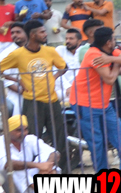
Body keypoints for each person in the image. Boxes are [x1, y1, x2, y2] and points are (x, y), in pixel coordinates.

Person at [2, 20, 70, 171]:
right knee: (32, 139)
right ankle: (35, 172)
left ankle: (62, 171)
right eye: (42, 32)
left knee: (59, 137)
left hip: (52, 101)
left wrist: (53, 77)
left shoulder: (50, 51)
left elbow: (64, 67)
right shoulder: (18, 54)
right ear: (33, 35)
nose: (45, 34)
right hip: (32, 102)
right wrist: (16, 79)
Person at [69, 26, 121, 169]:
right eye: (113, 39)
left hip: (103, 104)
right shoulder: (93, 54)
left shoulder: (110, 51)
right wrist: (117, 63)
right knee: (97, 143)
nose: (115, 41)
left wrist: (111, 58)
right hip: (85, 104)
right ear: (108, 42)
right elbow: (110, 79)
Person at [1, 115, 59, 193]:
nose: (24, 133)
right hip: (9, 184)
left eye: (25, 129)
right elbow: (8, 164)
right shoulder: (1, 142)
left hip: (28, 179)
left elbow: (55, 153)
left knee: (46, 156)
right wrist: (38, 165)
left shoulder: (30, 138)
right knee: (13, 167)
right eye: (19, 130)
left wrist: (47, 166)